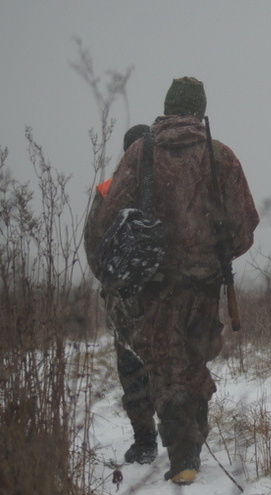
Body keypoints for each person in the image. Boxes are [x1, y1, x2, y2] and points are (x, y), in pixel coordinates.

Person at [87, 77, 259, 484]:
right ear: (200, 109)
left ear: (166, 108)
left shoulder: (140, 152)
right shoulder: (221, 155)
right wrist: (216, 256)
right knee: (195, 357)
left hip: (154, 281)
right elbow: (244, 225)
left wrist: (132, 264)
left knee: (165, 364)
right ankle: (188, 450)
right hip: (204, 281)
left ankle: (185, 453)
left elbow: (111, 221)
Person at [85, 123, 158, 465]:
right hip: (164, 293)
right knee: (171, 361)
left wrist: (116, 282)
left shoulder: (108, 190)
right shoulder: (168, 187)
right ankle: (183, 437)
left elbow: (93, 246)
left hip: (123, 297)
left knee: (132, 366)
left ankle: (145, 441)